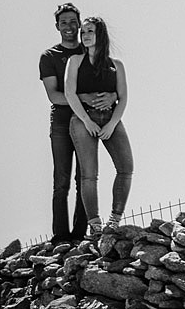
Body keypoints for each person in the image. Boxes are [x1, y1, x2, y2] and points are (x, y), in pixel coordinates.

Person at [39, 3, 115, 243]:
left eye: (74, 22)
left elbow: (109, 78)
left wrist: (113, 96)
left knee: (86, 176)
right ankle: (61, 236)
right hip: (62, 123)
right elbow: (54, 95)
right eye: (64, 22)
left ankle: (81, 233)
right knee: (61, 180)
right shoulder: (49, 57)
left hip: (88, 123)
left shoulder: (90, 50)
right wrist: (79, 97)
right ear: (57, 26)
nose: (70, 27)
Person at [64, 16, 134, 236]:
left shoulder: (117, 65)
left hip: (111, 119)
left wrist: (112, 124)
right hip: (83, 121)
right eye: (83, 32)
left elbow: (123, 97)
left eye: (90, 31)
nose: (85, 35)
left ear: (100, 34)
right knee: (89, 175)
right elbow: (69, 92)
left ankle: (114, 221)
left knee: (126, 168)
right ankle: (95, 226)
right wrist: (86, 120)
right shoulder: (74, 61)